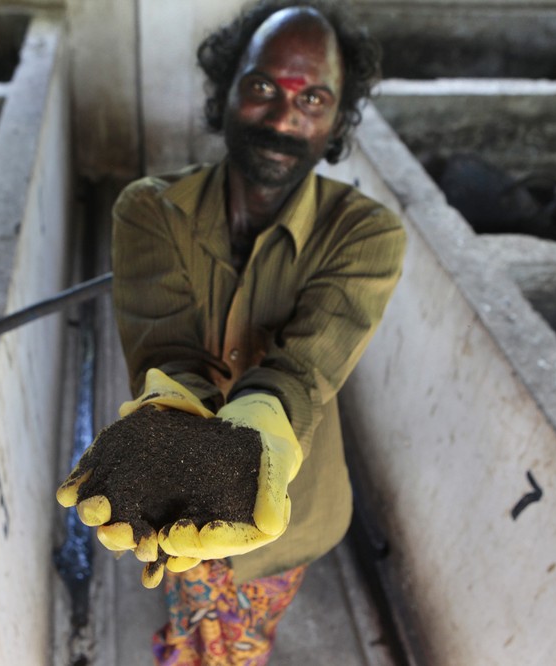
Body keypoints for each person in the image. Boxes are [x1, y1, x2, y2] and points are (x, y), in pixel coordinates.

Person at [60, 1, 406, 663]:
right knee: (191, 616)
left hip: (292, 513)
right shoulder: (149, 209)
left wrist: (260, 428)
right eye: (262, 88)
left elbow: (307, 362)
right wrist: (173, 412)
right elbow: (165, 347)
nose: (282, 117)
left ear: (336, 123)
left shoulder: (366, 233)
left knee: (235, 645)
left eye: (312, 97)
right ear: (225, 93)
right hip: (174, 488)